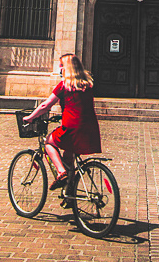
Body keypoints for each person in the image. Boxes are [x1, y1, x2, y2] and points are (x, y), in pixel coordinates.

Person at [24, 54, 102, 192]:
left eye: (61, 65)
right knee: (68, 156)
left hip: (72, 128)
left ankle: (61, 172)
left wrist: (30, 117)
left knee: (48, 142)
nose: (59, 68)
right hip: (90, 128)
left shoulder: (64, 85)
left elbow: (45, 106)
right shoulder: (88, 85)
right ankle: (69, 193)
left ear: (67, 68)